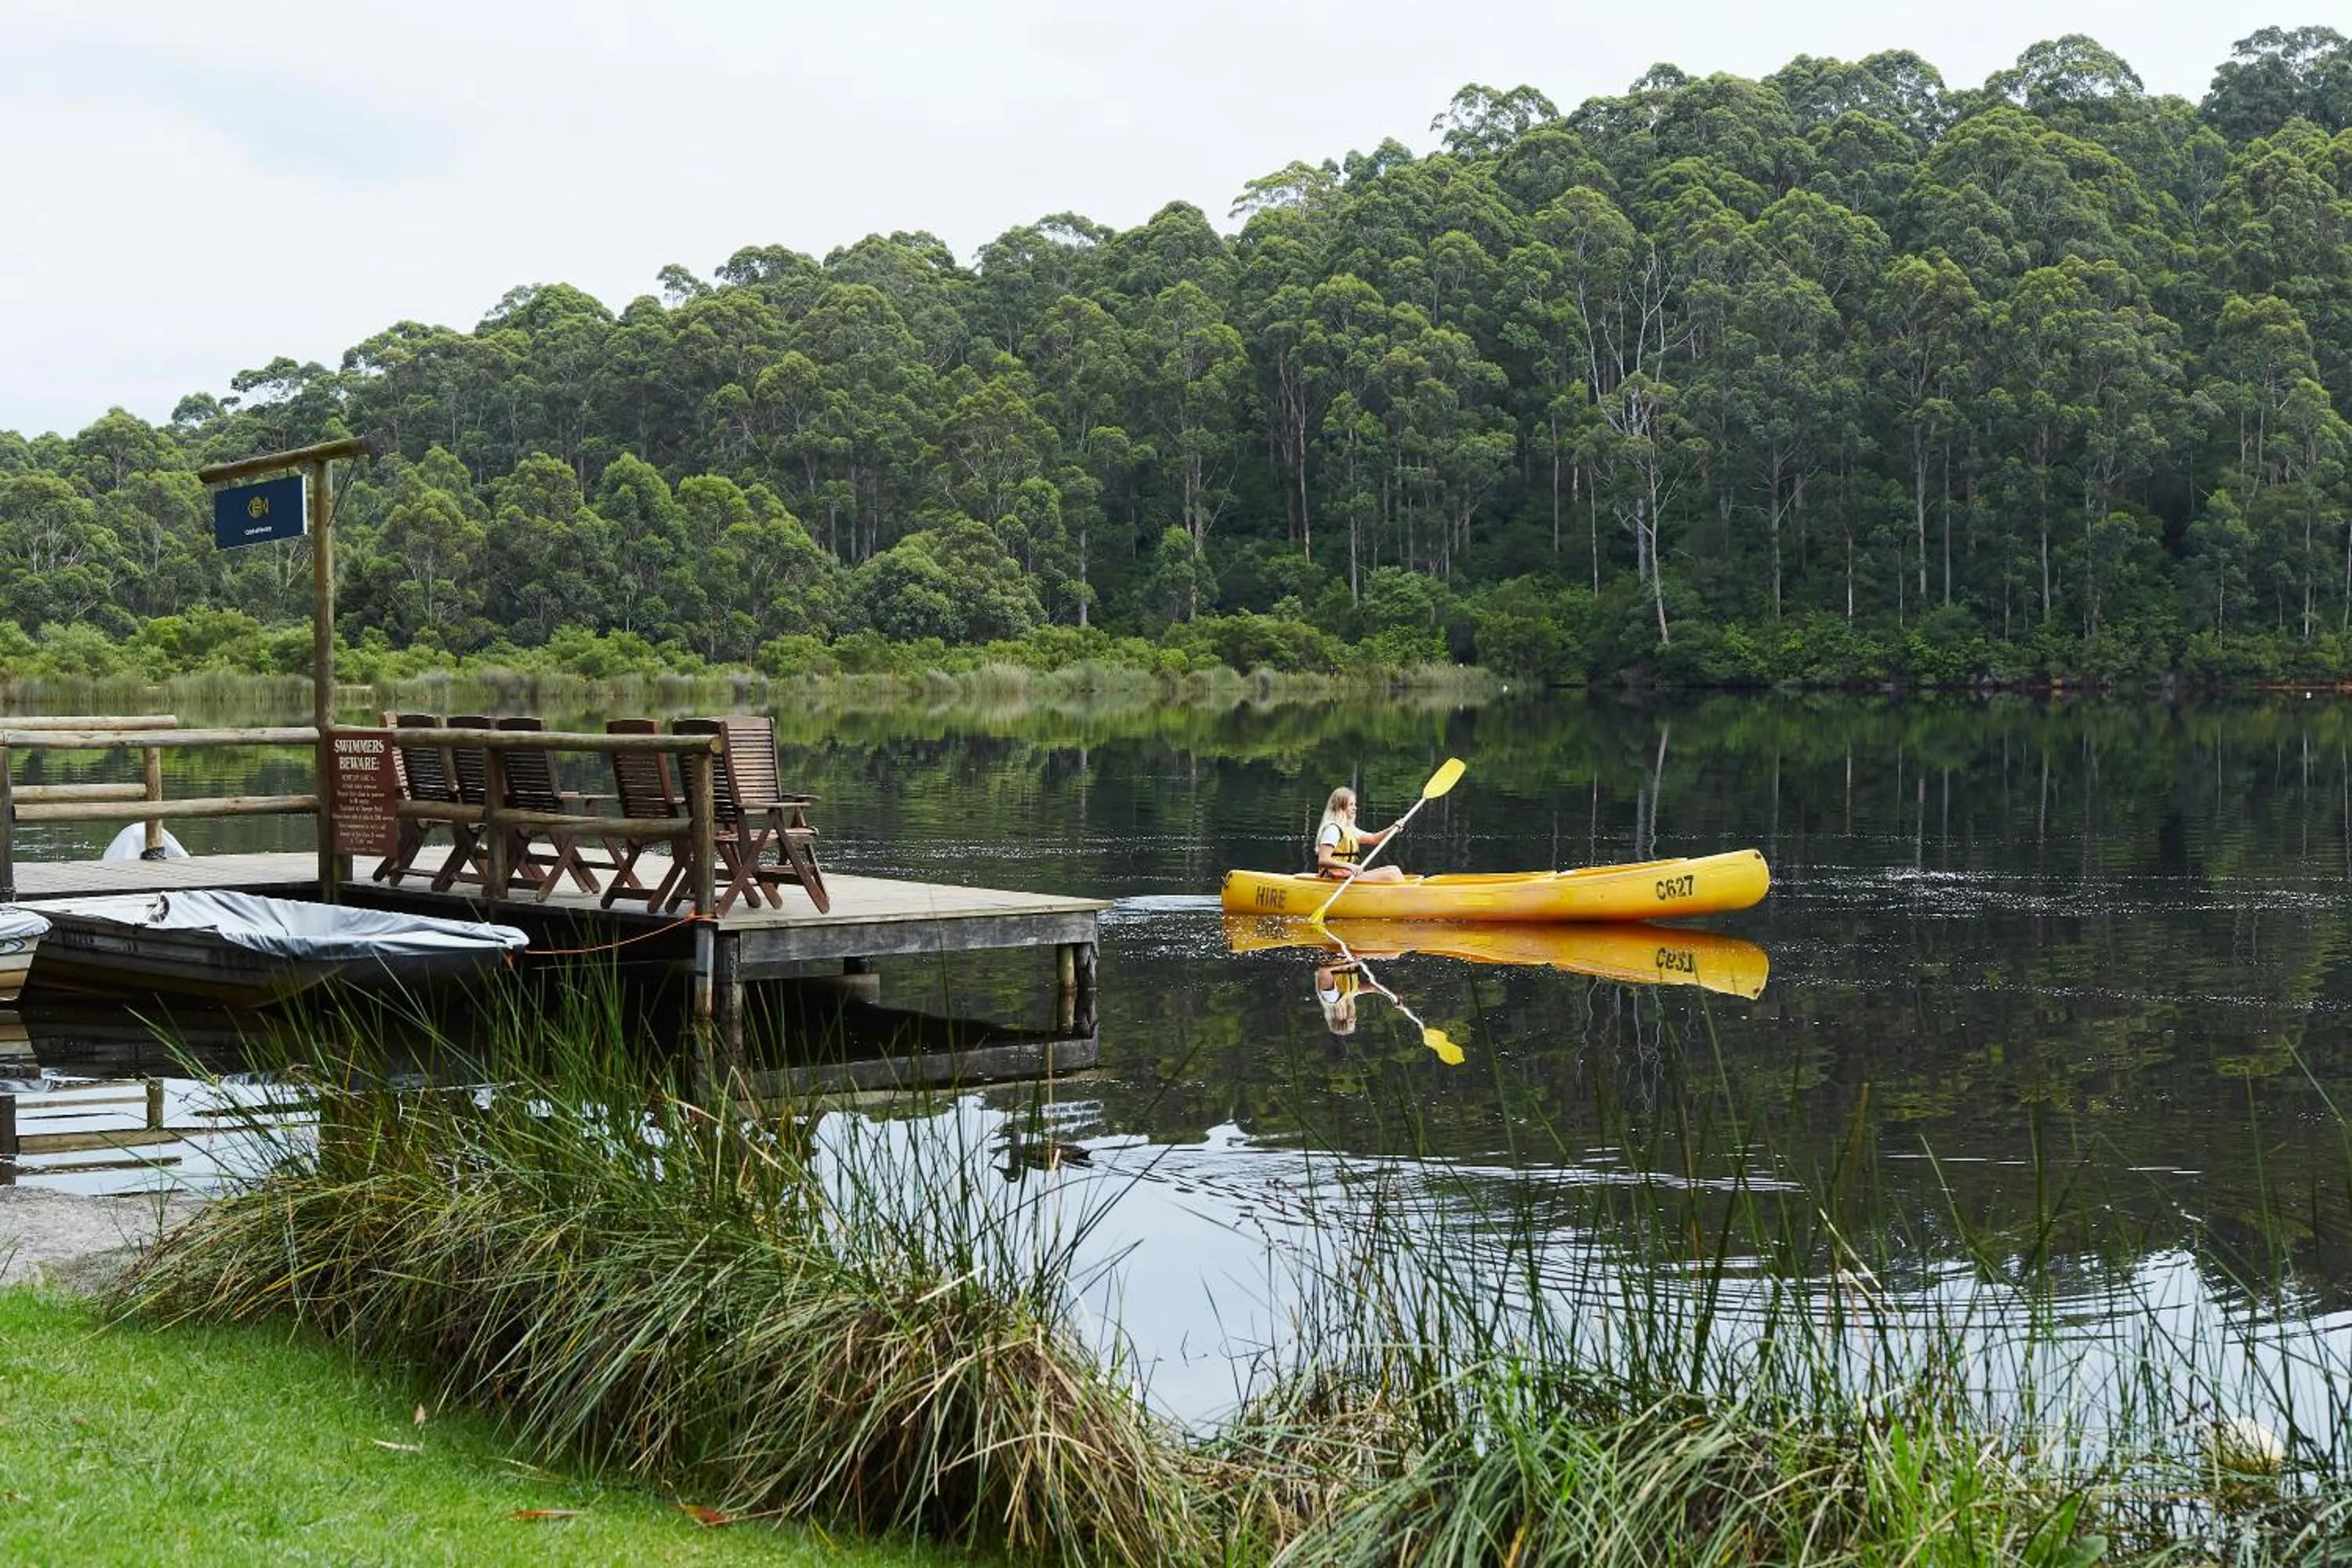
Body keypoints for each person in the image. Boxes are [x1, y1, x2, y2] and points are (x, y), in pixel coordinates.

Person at [1314, 786, 1406, 883]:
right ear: (1340, 807)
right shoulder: (1333, 830)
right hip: (1333, 879)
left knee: (1394, 869)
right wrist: (1349, 866)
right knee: (1391, 875)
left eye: (1355, 804)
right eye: (1350, 805)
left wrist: (1392, 829)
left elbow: (1374, 839)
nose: (1355, 808)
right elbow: (1323, 860)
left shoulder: (1350, 829)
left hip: (1346, 876)